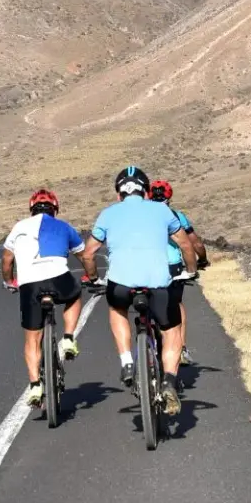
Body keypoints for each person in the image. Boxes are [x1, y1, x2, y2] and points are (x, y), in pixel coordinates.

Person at [80, 166, 197, 416]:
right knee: (172, 331)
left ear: (118, 194)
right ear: (145, 192)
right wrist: (191, 270)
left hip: (121, 284)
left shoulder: (108, 214)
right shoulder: (162, 210)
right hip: (158, 284)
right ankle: (168, 381)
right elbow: (186, 244)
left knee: (117, 309)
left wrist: (93, 278)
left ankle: (127, 362)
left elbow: (89, 253)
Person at [1, 188, 87, 407]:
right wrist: (92, 276)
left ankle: (35, 386)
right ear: (55, 209)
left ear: (31, 209)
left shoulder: (19, 227)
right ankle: (68, 338)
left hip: (29, 284)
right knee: (75, 294)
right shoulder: (64, 226)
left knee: (31, 340)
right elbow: (84, 256)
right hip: (58, 278)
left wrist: (9, 281)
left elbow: (7, 260)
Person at [148, 179, 208, 368]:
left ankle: (147, 344)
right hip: (172, 266)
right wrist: (202, 260)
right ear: (169, 195)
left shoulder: (143, 215)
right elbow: (193, 243)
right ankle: (180, 347)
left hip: (147, 266)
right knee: (176, 305)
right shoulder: (176, 216)